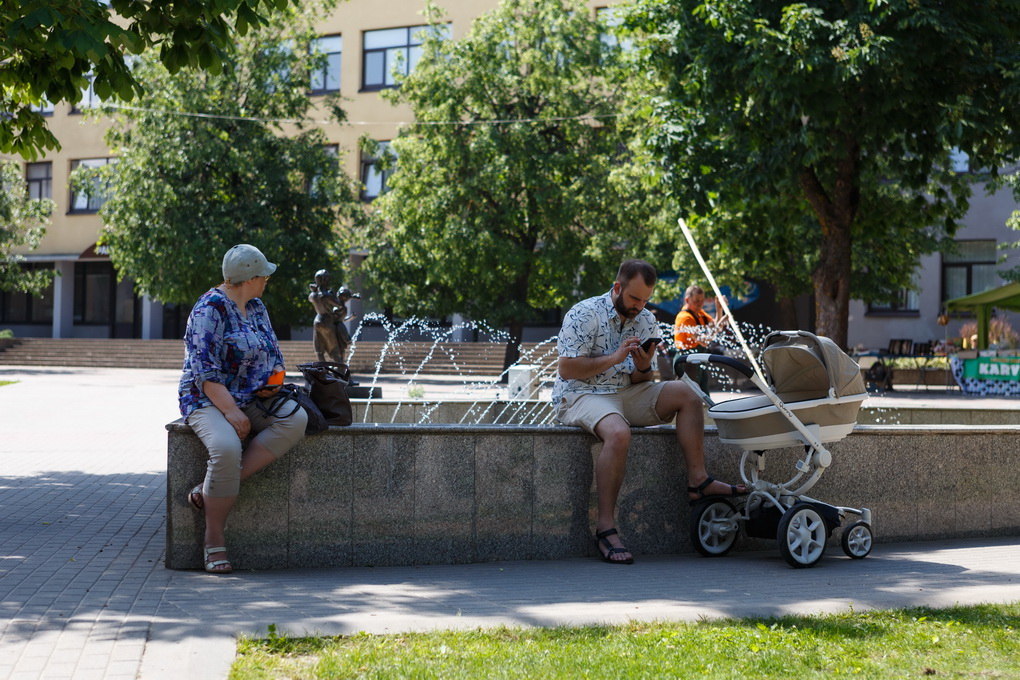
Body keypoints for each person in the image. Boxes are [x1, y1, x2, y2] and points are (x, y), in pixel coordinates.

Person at [553, 260, 745, 565]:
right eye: (634, 298)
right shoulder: (584, 313)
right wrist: (615, 357)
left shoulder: (645, 320)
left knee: (689, 393)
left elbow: (641, 381)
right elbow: (567, 369)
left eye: (645, 300)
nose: (639, 307)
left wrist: (643, 367)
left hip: (624, 393)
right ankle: (605, 528)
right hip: (581, 393)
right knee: (618, 432)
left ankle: (698, 480)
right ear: (617, 287)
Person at [179, 244, 308, 574]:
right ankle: (213, 539)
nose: (267, 281)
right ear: (250, 278)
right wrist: (232, 412)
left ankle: (208, 489)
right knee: (226, 447)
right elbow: (204, 372)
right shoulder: (209, 309)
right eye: (264, 275)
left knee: (296, 420)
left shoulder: (257, 307)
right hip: (207, 398)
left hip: (252, 396)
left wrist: (274, 381)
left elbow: (273, 354)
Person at [673, 285, 728, 390]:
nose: (700, 303)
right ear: (687, 300)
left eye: (702, 300)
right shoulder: (685, 318)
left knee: (702, 392)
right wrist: (718, 327)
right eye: (697, 300)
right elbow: (704, 341)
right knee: (688, 393)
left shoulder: (699, 313)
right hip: (686, 361)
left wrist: (719, 309)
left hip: (698, 360)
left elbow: (716, 326)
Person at [308, 269, 360, 364]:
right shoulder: (327, 296)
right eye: (327, 279)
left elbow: (311, 298)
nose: (329, 281)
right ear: (324, 280)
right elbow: (339, 304)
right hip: (327, 322)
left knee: (319, 350)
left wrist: (315, 289)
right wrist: (350, 296)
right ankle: (340, 369)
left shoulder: (312, 295)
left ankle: (324, 369)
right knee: (334, 350)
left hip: (317, 321)